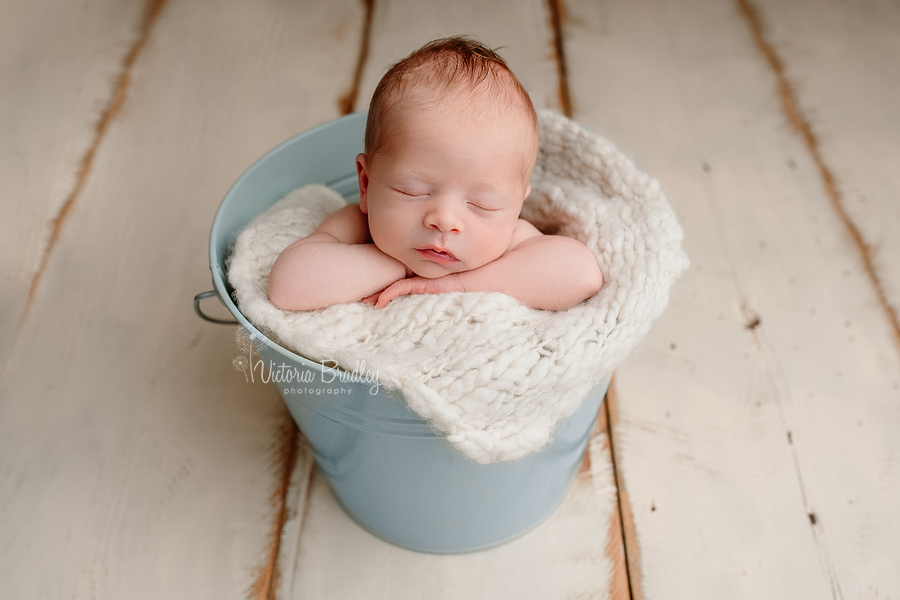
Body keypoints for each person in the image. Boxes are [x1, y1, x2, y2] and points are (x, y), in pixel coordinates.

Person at [268, 37, 602, 311]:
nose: (444, 220)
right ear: (366, 184)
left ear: (516, 206)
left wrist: (454, 284)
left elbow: (581, 275)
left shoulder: (510, 242)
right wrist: (399, 267)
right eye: (413, 191)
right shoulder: (357, 228)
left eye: (481, 204)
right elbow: (288, 286)